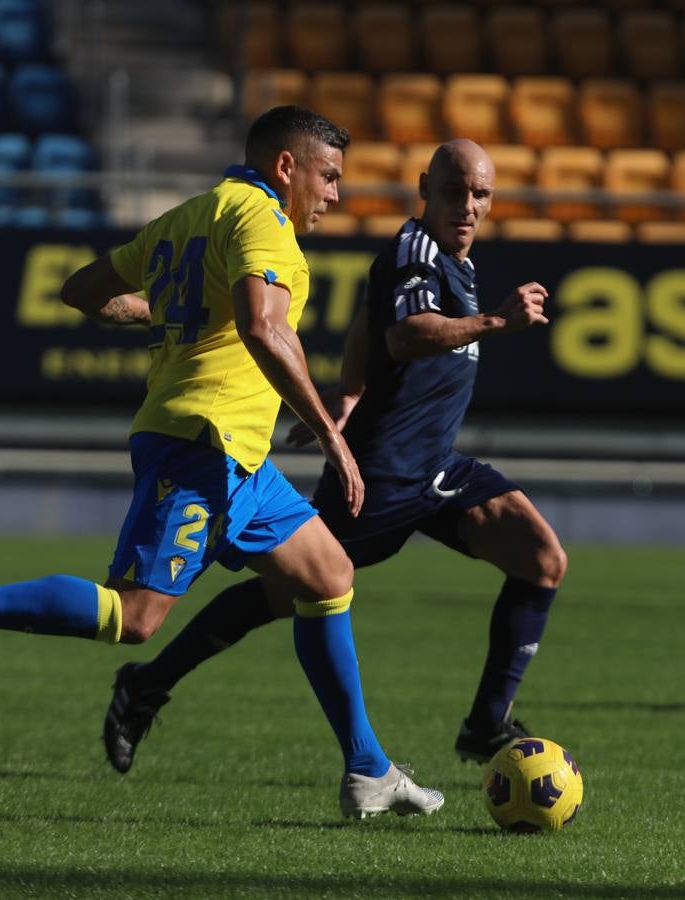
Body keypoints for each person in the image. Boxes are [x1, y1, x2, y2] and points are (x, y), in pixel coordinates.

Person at [0, 105, 444, 820]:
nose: (334, 194)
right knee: (131, 616)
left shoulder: (191, 215)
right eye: (327, 176)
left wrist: (168, 310)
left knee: (329, 574)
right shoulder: (262, 220)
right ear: (286, 167)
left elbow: (82, 291)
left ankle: (368, 770)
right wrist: (330, 434)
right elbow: (265, 328)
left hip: (237, 457)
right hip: (203, 442)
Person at [102, 138, 567, 776]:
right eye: (454, 191)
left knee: (542, 558)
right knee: (281, 592)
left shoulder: (452, 259)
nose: (467, 206)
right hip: (381, 474)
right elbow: (404, 334)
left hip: (436, 467)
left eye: (480, 194)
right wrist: (496, 324)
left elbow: (366, 323)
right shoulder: (417, 250)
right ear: (425, 188)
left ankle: (485, 724)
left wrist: (349, 390)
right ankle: (147, 684)